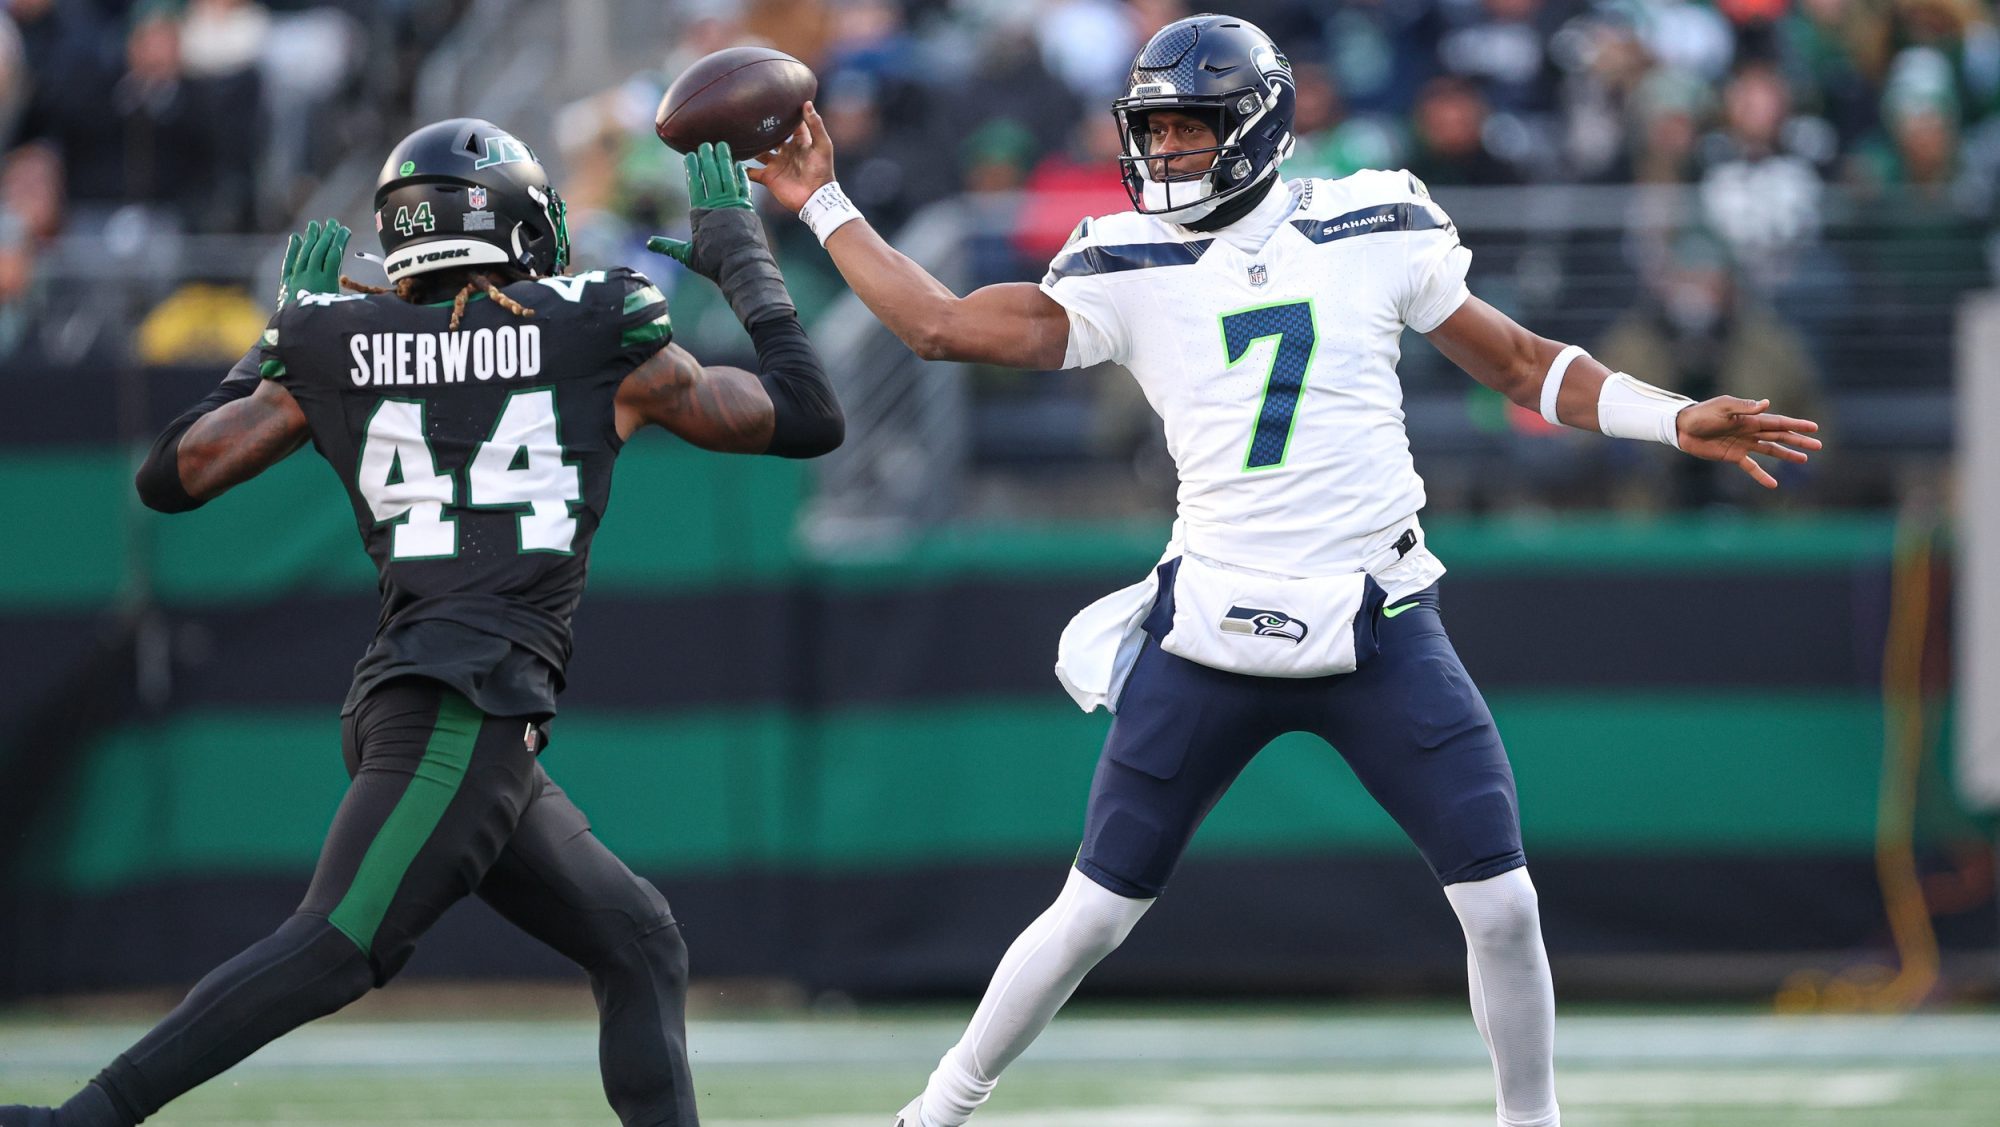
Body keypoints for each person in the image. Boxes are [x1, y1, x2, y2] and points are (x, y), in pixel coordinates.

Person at [747, 14, 1819, 1127]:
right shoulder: (1123, 261)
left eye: (1184, 129)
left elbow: (1518, 361)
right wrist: (821, 201)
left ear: (1254, 128)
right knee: (1093, 910)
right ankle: (937, 1108)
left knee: (1502, 904)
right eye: (1149, 130)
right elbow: (936, 326)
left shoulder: (1374, 218)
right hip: (1211, 623)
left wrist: (1671, 414)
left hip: (1378, 617)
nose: (1159, 154)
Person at [1, 122, 841, 1127]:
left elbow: (169, 476)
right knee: (336, 943)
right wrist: (742, 258)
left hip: (432, 700)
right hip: (461, 705)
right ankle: (77, 1119)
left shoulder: (332, 344)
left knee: (636, 934)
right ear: (519, 226)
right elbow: (805, 412)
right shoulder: (600, 327)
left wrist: (280, 336)